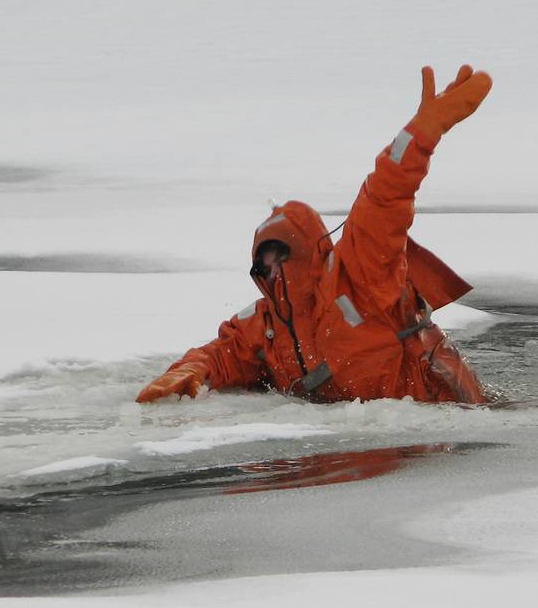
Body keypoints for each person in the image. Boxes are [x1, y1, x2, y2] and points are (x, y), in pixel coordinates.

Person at [136, 64, 493, 406]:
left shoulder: (359, 276)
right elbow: (222, 353)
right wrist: (190, 371)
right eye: (264, 261)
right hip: (357, 447)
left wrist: (421, 133)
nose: (273, 269)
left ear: (308, 249)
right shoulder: (266, 324)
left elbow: (383, 198)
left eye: (281, 254)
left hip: (439, 426)